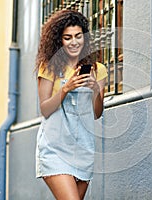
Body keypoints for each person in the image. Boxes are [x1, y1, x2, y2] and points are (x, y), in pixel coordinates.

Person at [34, 9, 107, 200]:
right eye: (68, 37)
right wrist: (66, 88)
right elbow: (45, 109)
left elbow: (97, 113)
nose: (74, 42)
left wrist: (94, 90)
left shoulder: (97, 70)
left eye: (78, 36)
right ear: (60, 40)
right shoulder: (49, 67)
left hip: (83, 148)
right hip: (54, 148)